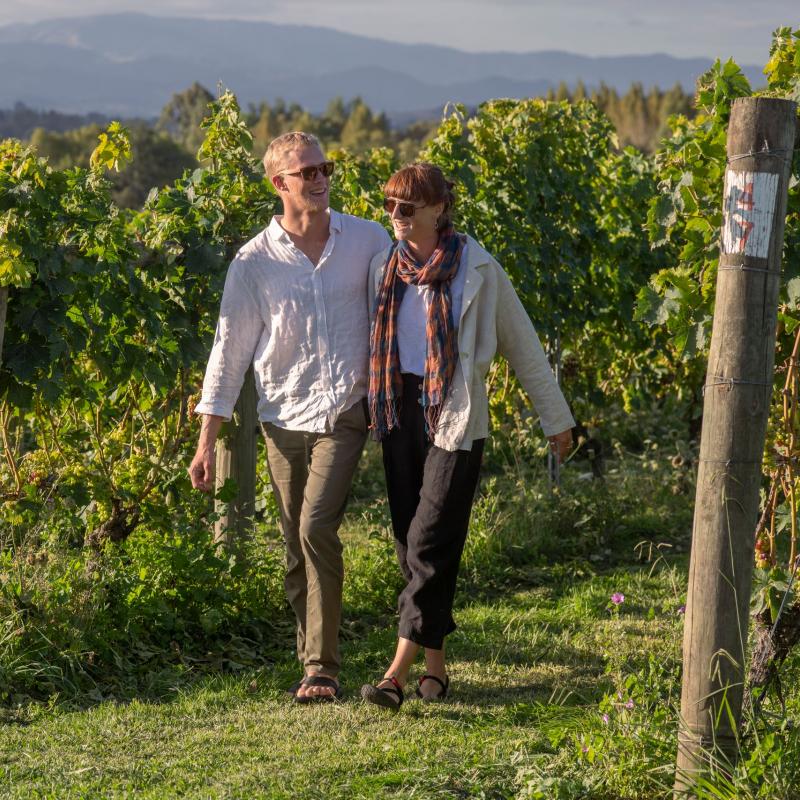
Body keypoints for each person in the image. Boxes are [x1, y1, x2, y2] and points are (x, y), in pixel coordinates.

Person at [360, 163, 574, 709]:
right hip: (398, 410)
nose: (395, 217)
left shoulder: (477, 269)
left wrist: (557, 420)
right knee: (412, 543)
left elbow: (523, 346)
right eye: (389, 206)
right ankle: (437, 672)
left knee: (430, 540)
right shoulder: (385, 267)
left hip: (453, 413)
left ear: (438, 209)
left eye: (406, 208)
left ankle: (395, 675)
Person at [189, 131, 391, 703]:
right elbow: (229, 353)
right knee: (292, 544)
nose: (321, 177)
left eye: (324, 167)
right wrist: (207, 440)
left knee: (314, 527)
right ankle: (311, 660)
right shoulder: (253, 263)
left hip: (346, 411)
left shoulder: (368, 240)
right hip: (281, 419)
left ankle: (323, 666)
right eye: (306, 172)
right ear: (279, 184)